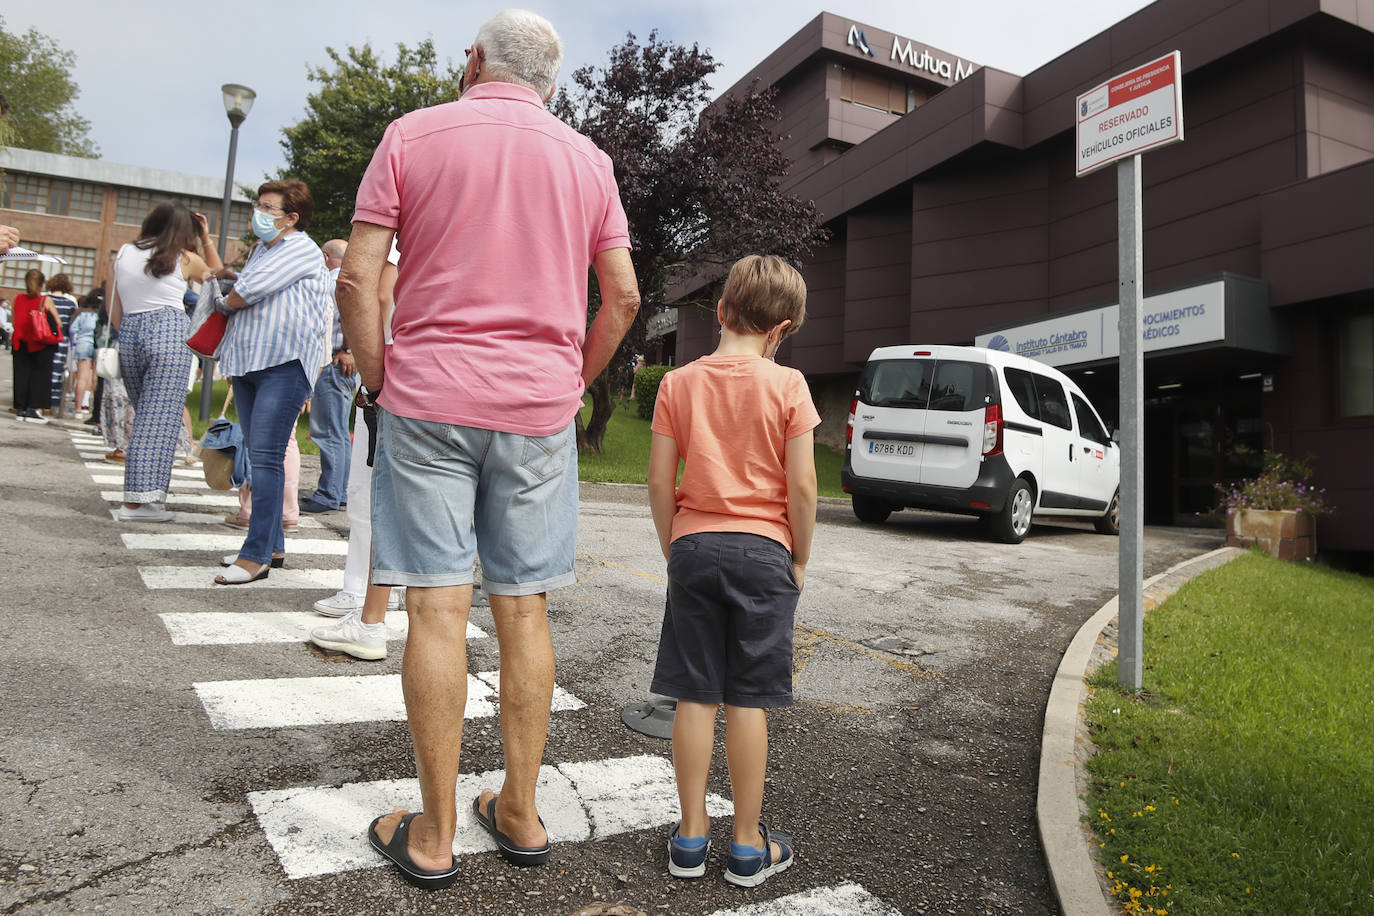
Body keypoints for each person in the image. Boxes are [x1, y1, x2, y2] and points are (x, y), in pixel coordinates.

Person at [338, 9, 640, 889]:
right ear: (552, 85)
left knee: (436, 609)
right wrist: (572, 384)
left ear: (474, 62)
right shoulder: (588, 161)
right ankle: (517, 809)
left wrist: (377, 376)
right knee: (524, 611)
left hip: (428, 396)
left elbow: (359, 275)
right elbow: (619, 297)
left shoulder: (412, 134)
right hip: (537, 412)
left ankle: (431, 836)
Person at [647, 255, 818, 887]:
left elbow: (661, 481)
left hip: (694, 545)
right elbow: (801, 486)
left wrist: (677, 547)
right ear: (784, 328)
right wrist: (798, 555)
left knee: (694, 692)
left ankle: (690, 839)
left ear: (720, 312)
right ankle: (747, 846)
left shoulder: (677, 384)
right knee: (748, 699)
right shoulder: (789, 386)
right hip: (764, 550)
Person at [214, 179, 328, 585]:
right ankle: (272, 545)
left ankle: (256, 554)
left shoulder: (300, 248)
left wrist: (223, 300)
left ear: (291, 218)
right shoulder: (265, 248)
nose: (258, 214)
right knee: (259, 455)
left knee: (265, 459)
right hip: (250, 363)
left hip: (283, 364)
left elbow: (246, 292)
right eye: (258, 205)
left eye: (268, 208)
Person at [110, 203, 220, 522]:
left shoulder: (125, 252)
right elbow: (220, 279)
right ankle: (137, 501)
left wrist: (126, 335)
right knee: (158, 420)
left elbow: (115, 306)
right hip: (169, 330)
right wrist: (207, 237)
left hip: (130, 331)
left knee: (146, 415)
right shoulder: (184, 258)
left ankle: (149, 497)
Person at [301, 238, 356, 513]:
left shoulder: (334, 283)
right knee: (338, 431)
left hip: (333, 360)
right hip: (341, 361)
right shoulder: (348, 280)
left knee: (328, 431)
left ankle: (328, 493)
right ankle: (339, 490)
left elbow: (349, 316)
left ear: (324, 256)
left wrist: (347, 348)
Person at [10, 269, 62, 423]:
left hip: (20, 341)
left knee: (21, 375)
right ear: (42, 283)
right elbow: (56, 322)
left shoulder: (18, 298)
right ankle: (34, 408)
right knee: (40, 375)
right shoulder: (44, 300)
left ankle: (21, 408)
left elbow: (15, 321)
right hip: (40, 343)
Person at [45, 274, 79, 413]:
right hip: (62, 340)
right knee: (57, 373)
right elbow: (71, 327)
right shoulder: (70, 304)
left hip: (45, 338)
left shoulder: (45, 300)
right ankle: (53, 402)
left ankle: (40, 401)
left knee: (44, 370)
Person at [70, 294, 98, 415]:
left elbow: (72, 329)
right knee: (95, 378)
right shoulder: (101, 316)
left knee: (82, 378)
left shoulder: (82, 314)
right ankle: (90, 406)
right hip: (98, 344)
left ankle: (78, 409)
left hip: (83, 344)